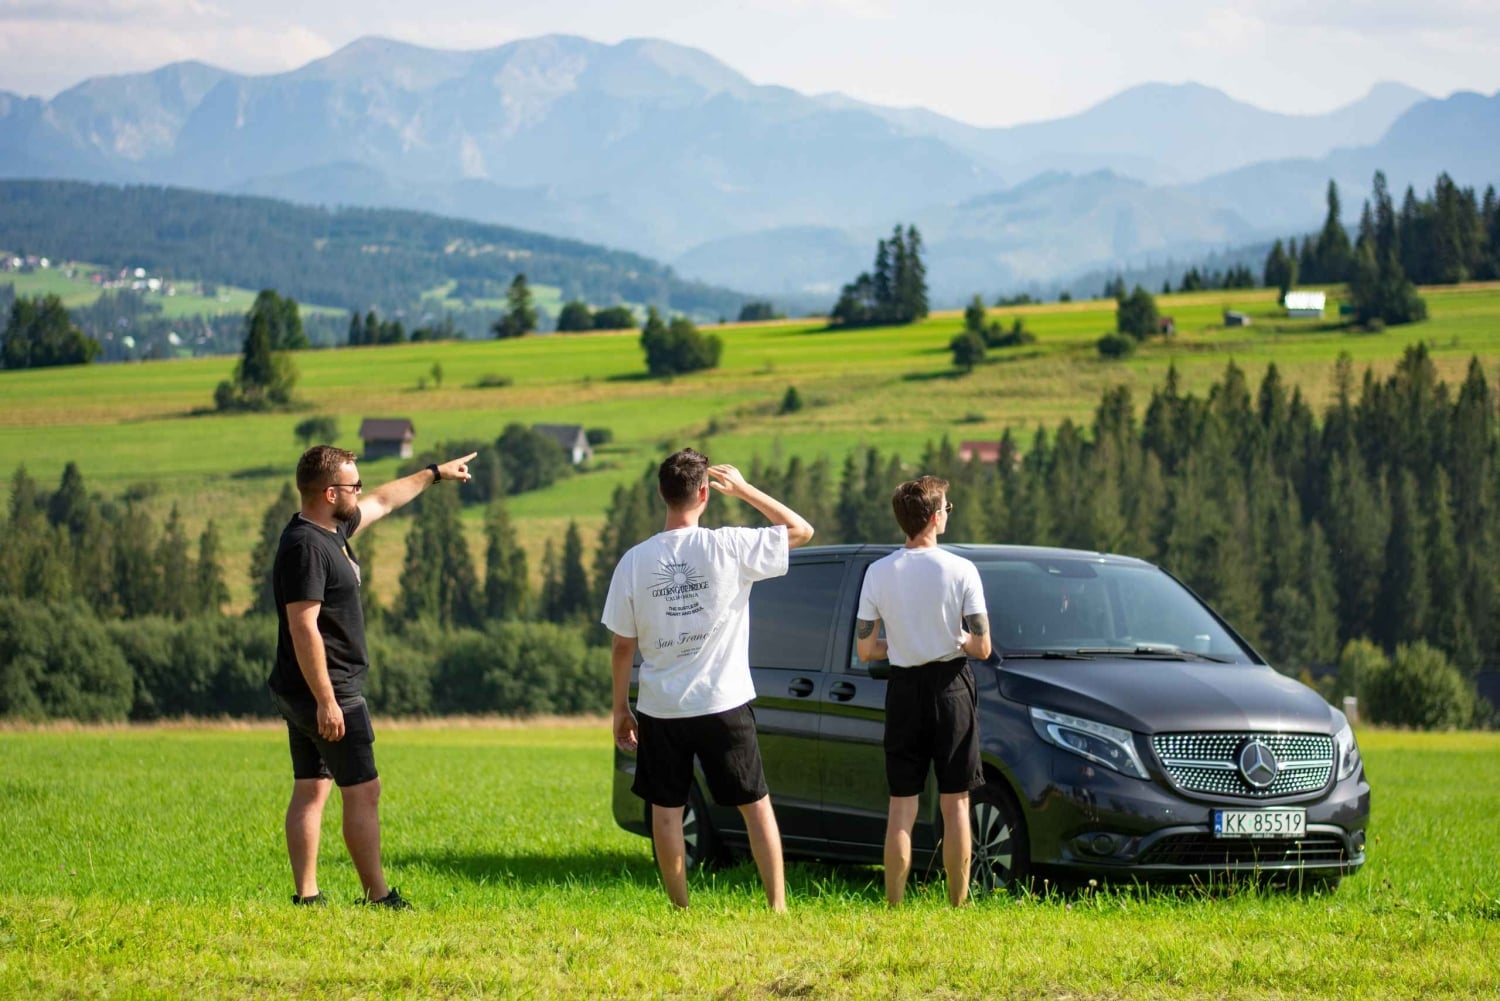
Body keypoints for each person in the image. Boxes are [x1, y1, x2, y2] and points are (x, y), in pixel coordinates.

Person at [602, 448, 814, 910]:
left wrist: (621, 708)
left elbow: (622, 645)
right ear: (704, 493)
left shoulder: (634, 562)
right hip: (724, 700)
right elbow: (801, 530)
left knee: (667, 810)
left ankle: (680, 907)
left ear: (662, 493)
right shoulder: (729, 546)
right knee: (755, 804)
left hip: (661, 707)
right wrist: (745, 490)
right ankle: (777, 906)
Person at [268, 444, 476, 908]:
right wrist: (327, 700)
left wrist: (434, 474)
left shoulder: (328, 530)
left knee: (311, 786)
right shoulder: (307, 547)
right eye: (353, 485)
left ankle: (308, 896)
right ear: (329, 493)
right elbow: (304, 626)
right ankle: (377, 897)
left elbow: (384, 500)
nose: (360, 491)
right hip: (328, 689)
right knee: (364, 790)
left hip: (304, 687)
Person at [854, 475, 991, 907]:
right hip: (951, 688)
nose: (948, 513)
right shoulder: (961, 569)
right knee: (956, 804)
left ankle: (894, 903)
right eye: (946, 507)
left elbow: (865, 650)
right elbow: (982, 647)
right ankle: (957, 903)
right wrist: (957, 638)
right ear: (933, 518)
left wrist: (901, 642)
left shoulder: (878, 572)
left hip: (903, 689)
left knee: (902, 805)